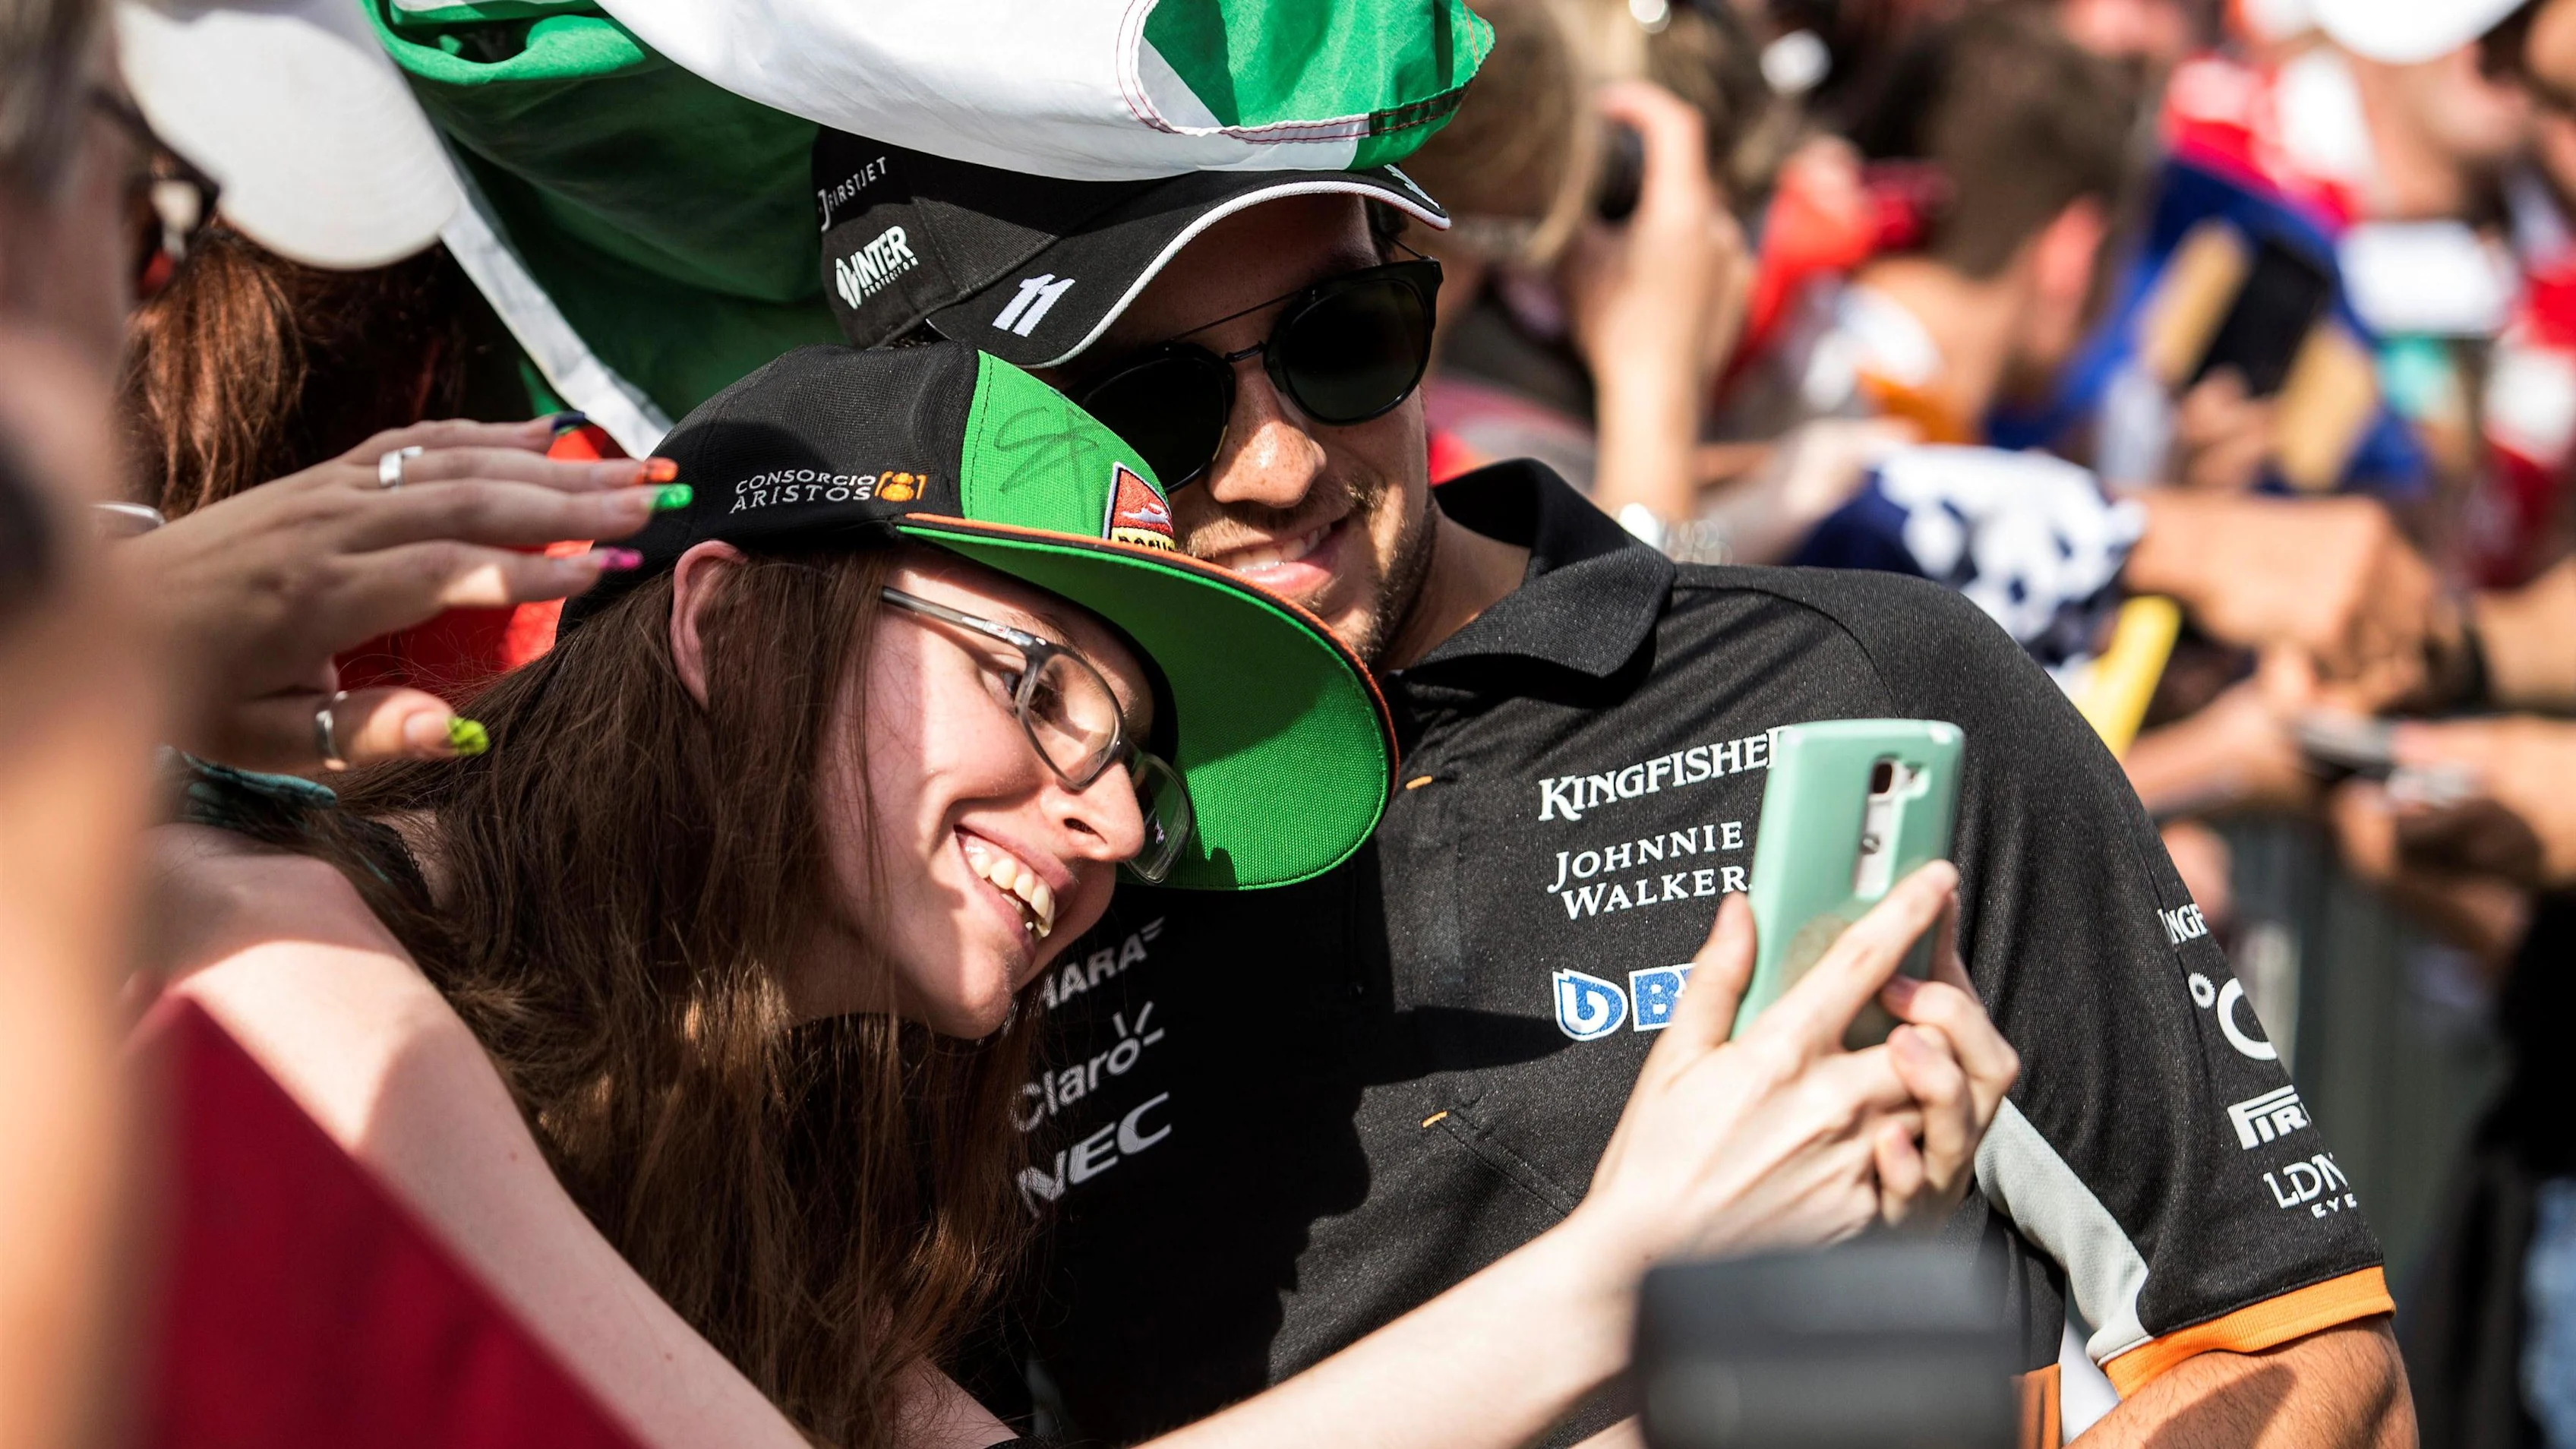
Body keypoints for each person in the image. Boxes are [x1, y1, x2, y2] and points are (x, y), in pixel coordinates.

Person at [813, 101, 2409, 1449]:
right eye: (1143, 406)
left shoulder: (1860, 686)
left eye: (1342, 342)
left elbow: (2301, 1351)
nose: (1283, 462)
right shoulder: (956, 884)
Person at [147, 339, 2016, 1449]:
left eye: (1130, 756)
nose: (1113, 825)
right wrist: (1626, 1270)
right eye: (1039, 691)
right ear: (717, 620)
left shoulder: (735, 1171)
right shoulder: (282, 944)